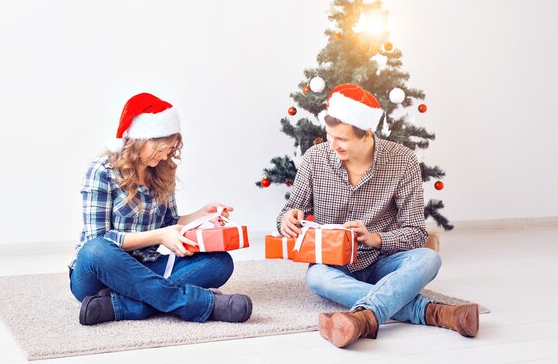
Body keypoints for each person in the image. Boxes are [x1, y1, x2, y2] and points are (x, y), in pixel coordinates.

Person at [278, 84, 478, 348]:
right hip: (333, 263)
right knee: (316, 278)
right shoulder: (315, 159)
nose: (332, 145)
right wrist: (286, 220)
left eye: (342, 139)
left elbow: (416, 232)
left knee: (428, 258)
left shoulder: (403, 161)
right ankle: (433, 312)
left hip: (382, 261)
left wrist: (374, 239)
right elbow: (288, 212)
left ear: (366, 134)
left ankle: (363, 319)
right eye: (330, 136)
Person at [70, 92, 252, 325]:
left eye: (170, 148)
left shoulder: (162, 170)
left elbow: (169, 224)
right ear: (143, 140)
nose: (167, 154)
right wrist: (158, 236)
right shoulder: (101, 171)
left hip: (146, 268)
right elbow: (99, 240)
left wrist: (201, 213)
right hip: (98, 273)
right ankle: (201, 304)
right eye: (162, 147)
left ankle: (118, 306)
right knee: (95, 249)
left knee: (220, 262)